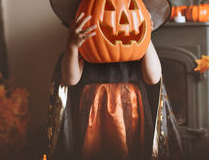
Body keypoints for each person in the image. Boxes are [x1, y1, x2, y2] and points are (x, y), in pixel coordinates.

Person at [61, 11, 161, 160]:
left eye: (129, 12)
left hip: (130, 110)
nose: (120, 20)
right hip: (94, 113)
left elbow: (153, 77)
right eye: (107, 11)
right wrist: (73, 46)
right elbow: (71, 79)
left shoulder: (137, 45)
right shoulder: (87, 45)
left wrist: (145, 37)